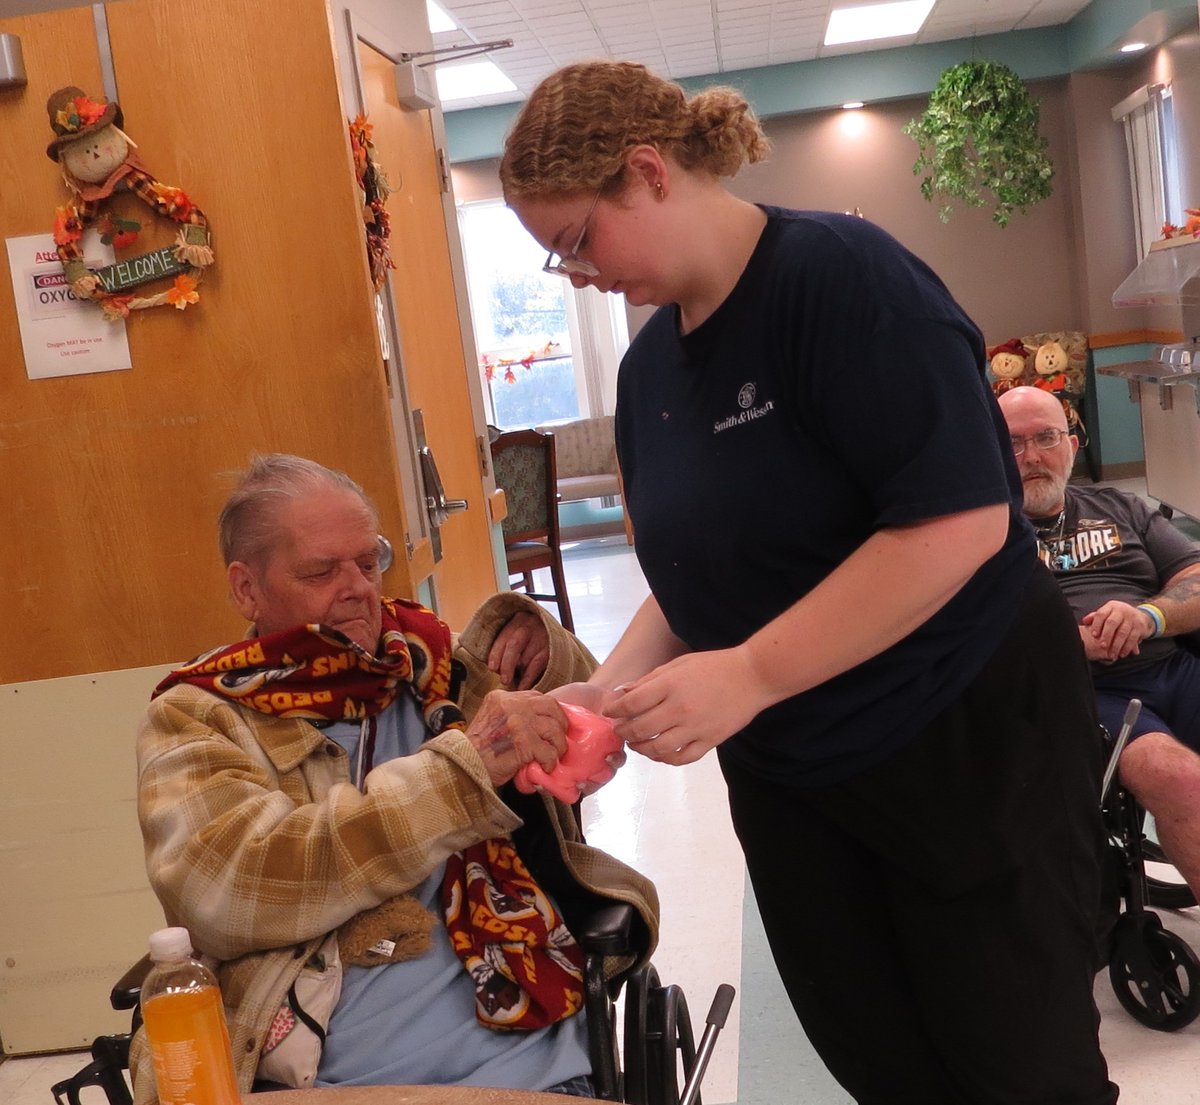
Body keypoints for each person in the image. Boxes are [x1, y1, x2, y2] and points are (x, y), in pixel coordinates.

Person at [500, 60, 1116, 1105]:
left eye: (576, 242)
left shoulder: (844, 280)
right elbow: (704, 575)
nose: (579, 275)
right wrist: (607, 690)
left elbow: (959, 521)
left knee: (1017, 1065)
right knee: (882, 1058)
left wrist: (748, 673)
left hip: (962, 743)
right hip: (800, 781)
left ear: (645, 173)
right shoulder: (651, 372)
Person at [130, 453, 656, 1105]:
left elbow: (588, 726)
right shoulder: (197, 717)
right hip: (322, 1081)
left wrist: (546, 648)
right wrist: (457, 776)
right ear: (246, 589)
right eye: (322, 570)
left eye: (369, 560)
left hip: (526, 1062)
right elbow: (228, 888)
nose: (358, 588)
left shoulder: (428, 665)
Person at [1000, 384, 1200, 897]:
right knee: (1183, 782)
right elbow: (958, 638)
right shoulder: (979, 536)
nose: (1031, 456)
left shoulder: (1119, 505)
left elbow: (1195, 575)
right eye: (1013, 442)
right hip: (1083, 695)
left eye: (1046, 437)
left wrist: (1148, 615)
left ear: (1072, 443)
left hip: (1172, 665)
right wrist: (1061, 644)